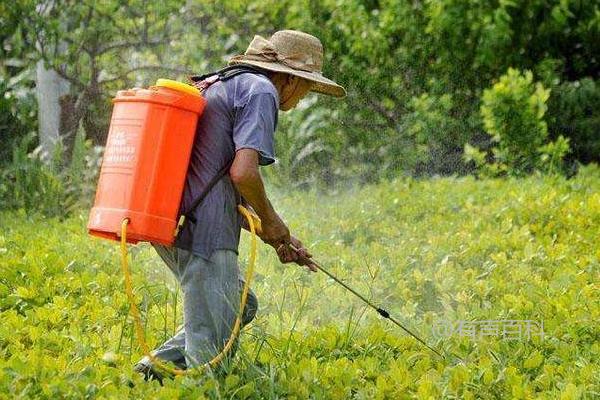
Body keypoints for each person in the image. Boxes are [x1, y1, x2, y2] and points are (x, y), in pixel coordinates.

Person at [134, 29, 346, 382]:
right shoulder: (263, 91)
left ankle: (154, 369)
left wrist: (276, 234)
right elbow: (243, 173)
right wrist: (272, 220)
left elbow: (217, 179)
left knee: (240, 303)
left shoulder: (226, 83)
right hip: (203, 229)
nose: (305, 95)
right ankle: (193, 385)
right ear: (290, 79)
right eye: (308, 86)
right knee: (211, 356)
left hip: (171, 216)